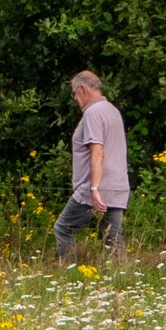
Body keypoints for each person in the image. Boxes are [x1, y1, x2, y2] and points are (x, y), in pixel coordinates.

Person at [56, 70, 130, 260]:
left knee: (64, 228)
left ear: (83, 90)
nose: (74, 98)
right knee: (113, 240)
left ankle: (70, 275)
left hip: (95, 190)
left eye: (74, 93)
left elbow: (97, 152)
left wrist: (94, 188)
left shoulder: (93, 114)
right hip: (118, 187)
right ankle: (121, 281)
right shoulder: (112, 111)